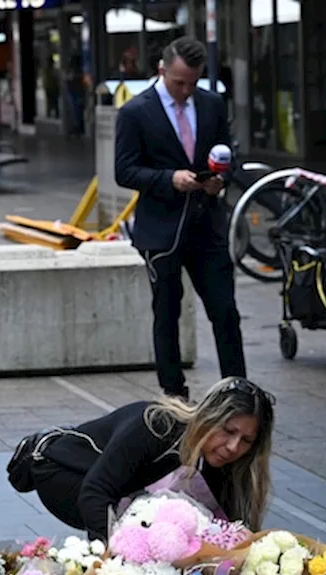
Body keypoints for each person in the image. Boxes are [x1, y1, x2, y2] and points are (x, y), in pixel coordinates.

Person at [114, 37, 244, 400]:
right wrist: (169, 179)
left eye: (193, 83)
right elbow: (124, 171)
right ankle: (174, 394)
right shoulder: (135, 112)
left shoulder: (212, 104)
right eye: (178, 83)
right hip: (162, 230)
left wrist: (221, 180)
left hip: (207, 226)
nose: (186, 91)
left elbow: (228, 153)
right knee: (167, 312)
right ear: (161, 70)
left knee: (225, 310)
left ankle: (238, 389)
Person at [12, 377, 275, 541]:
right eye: (228, 431)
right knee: (140, 532)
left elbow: (233, 525)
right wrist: (110, 567)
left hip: (113, 484)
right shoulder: (156, 425)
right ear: (209, 418)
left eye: (246, 441)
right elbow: (95, 493)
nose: (233, 447)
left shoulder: (222, 457)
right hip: (59, 470)